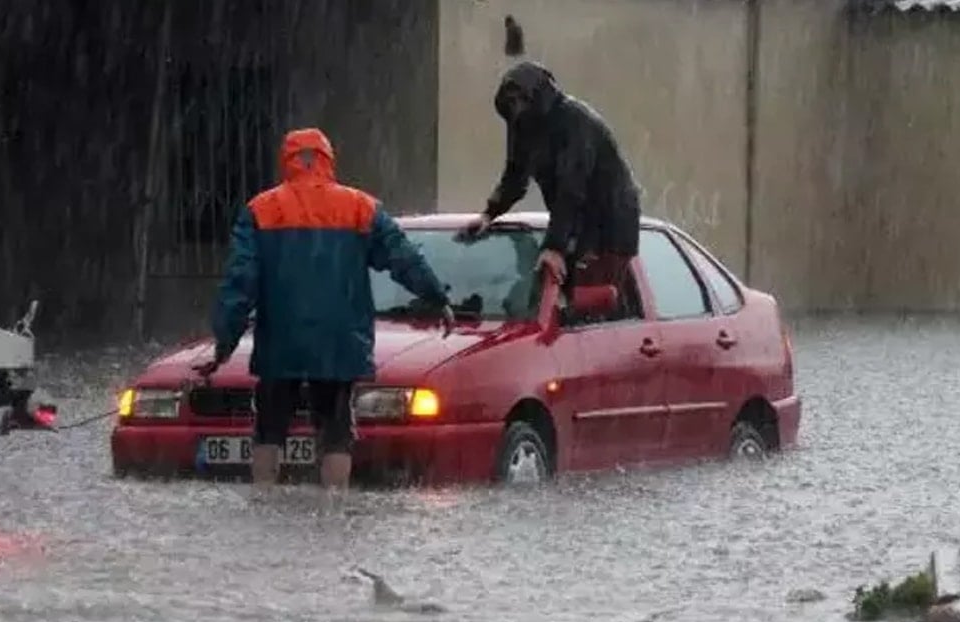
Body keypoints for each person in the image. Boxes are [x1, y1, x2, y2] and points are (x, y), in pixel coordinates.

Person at [194, 128, 453, 495]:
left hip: (281, 340)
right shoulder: (361, 207)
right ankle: (335, 507)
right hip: (339, 341)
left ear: (286, 161)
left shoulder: (261, 210)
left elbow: (240, 283)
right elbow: (403, 258)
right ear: (328, 160)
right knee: (336, 431)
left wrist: (224, 343)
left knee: (268, 429)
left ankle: (263, 501)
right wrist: (437, 297)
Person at [460, 61, 642, 297]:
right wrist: (489, 214)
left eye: (521, 99)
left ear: (539, 97)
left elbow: (571, 187)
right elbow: (515, 175)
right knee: (558, 288)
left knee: (589, 295)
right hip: (575, 221)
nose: (517, 108)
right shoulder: (522, 125)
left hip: (611, 221)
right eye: (511, 102)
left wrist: (555, 246)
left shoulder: (575, 121)